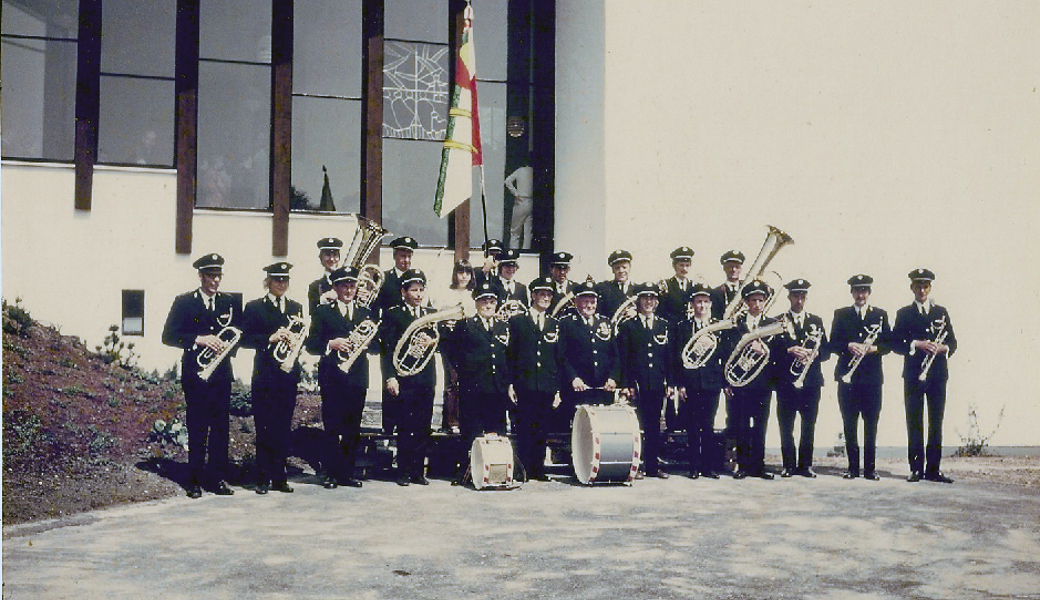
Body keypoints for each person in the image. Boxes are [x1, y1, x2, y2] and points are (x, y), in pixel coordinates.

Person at [161, 253, 241, 498]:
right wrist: (198, 339)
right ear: (201, 276)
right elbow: (168, 336)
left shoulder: (229, 301)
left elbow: (239, 334)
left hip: (221, 374)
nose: (215, 281)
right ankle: (193, 480)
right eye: (210, 276)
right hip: (196, 374)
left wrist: (227, 345)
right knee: (197, 427)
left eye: (218, 276)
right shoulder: (185, 301)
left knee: (220, 428)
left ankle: (216, 479)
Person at [305, 266, 374, 489]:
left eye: (352, 285)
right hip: (332, 376)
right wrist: (330, 344)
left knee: (352, 427)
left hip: (357, 376)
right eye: (344, 285)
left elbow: (377, 345)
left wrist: (367, 344)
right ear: (335, 287)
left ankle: (347, 473)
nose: (348, 289)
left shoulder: (365, 313)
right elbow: (311, 344)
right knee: (332, 426)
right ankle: (331, 474)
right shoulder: (323, 312)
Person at [241, 262, 304, 494]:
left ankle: (280, 477)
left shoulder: (296, 307)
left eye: (285, 280)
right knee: (264, 426)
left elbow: (301, 338)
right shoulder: (255, 307)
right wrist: (271, 337)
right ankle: (262, 478)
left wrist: (294, 341)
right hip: (265, 376)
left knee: (283, 427)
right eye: (277, 280)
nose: (281, 284)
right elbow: (245, 339)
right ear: (268, 281)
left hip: (287, 376)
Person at [893, 268, 958, 483]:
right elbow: (896, 343)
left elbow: (953, 343)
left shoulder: (941, 311)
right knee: (914, 421)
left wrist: (941, 348)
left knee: (935, 421)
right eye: (918, 286)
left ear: (930, 288)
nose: (922, 290)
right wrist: (917, 344)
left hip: (937, 374)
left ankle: (933, 469)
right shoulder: (904, 313)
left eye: (925, 286)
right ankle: (915, 469)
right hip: (913, 374)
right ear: (912, 288)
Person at [445, 281, 512, 485]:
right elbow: (452, 351)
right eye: (484, 301)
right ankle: (466, 472)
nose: (488, 304)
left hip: (497, 388)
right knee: (471, 432)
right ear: (476, 303)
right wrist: (466, 372)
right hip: (473, 388)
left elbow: (508, 356)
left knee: (497, 432)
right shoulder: (466, 325)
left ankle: (496, 473)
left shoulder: (503, 326)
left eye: (491, 301)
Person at [829, 274, 891, 480]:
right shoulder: (841, 314)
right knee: (849, 423)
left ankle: (870, 469)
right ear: (852, 292)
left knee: (871, 423)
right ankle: (852, 468)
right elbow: (832, 344)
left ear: (869, 293)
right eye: (857, 290)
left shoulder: (880, 315)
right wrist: (848, 345)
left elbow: (889, 344)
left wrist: (873, 348)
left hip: (872, 379)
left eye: (864, 290)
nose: (860, 294)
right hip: (847, 378)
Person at [379, 269, 437, 486]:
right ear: (403, 291)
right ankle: (403, 471)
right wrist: (390, 377)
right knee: (405, 425)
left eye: (421, 290)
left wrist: (432, 342)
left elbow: (442, 340)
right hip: (404, 377)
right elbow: (387, 349)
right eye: (414, 290)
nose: (419, 294)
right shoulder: (393, 313)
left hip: (426, 376)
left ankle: (417, 472)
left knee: (423, 425)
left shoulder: (431, 313)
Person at [617, 282, 676, 479]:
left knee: (653, 426)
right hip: (637, 385)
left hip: (657, 384)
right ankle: (637, 466)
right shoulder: (628, 326)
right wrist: (626, 384)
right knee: (637, 426)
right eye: (645, 298)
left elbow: (669, 358)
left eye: (652, 298)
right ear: (639, 301)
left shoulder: (664, 326)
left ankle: (652, 465)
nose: (648, 302)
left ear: (657, 302)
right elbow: (623, 358)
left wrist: (670, 382)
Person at [773, 279, 829, 478]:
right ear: (789, 297)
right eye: (795, 295)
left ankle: (805, 465)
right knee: (786, 424)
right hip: (786, 382)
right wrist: (789, 350)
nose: (799, 299)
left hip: (811, 382)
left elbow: (827, 351)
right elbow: (772, 353)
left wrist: (815, 353)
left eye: (802, 296)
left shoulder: (817, 321)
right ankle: (788, 465)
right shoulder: (778, 320)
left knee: (808, 424)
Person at [507, 276, 561, 481]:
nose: (546, 298)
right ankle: (524, 469)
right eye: (542, 294)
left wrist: (557, 389)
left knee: (542, 428)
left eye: (549, 294)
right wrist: (511, 383)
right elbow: (511, 354)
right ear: (533, 295)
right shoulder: (518, 321)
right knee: (524, 427)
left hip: (546, 384)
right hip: (525, 382)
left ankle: (538, 469)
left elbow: (558, 357)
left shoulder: (555, 324)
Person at [725, 280, 780, 479]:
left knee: (760, 425)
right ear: (746, 302)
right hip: (741, 384)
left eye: (760, 300)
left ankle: (759, 466)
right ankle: (743, 465)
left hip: (763, 384)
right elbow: (727, 354)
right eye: (753, 300)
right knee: (741, 425)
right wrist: (727, 383)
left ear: (765, 301)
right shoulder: (736, 325)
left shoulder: (772, 325)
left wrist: (764, 349)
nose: (756, 304)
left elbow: (778, 353)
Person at [675, 283, 729, 479]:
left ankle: (707, 467)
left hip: (711, 383)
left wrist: (724, 383)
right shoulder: (683, 327)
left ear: (711, 304)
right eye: (699, 302)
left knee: (708, 427)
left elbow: (725, 356)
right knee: (692, 427)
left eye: (706, 302)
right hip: (691, 384)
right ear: (693, 304)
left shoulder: (718, 328)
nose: (702, 306)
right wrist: (680, 384)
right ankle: (693, 467)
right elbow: (677, 358)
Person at [557, 280, 619, 431]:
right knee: (579, 430)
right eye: (585, 301)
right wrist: (573, 378)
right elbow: (561, 355)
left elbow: (615, 355)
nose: (590, 305)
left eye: (593, 301)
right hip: (579, 388)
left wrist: (613, 377)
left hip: (602, 388)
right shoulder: (567, 323)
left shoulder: (605, 323)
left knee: (602, 430)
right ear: (577, 301)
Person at [374, 236, 418, 436]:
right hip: (390, 336)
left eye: (409, 256)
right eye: (402, 256)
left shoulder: (416, 280)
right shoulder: (384, 279)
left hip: (411, 340)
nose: (406, 260)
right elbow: (375, 309)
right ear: (394, 256)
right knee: (390, 382)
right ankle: (388, 427)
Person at [434, 259, 476, 433]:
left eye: (467, 272)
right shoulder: (446, 293)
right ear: (455, 274)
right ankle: (450, 422)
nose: (464, 276)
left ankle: (464, 419)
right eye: (461, 272)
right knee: (451, 382)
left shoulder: (474, 294)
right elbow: (437, 315)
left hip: (468, 343)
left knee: (466, 381)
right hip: (450, 343)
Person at [659, 246, 695, 324]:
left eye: (687, 265)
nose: (684, 269)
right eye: (681, 265)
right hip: (672, 330)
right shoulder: (666, 285)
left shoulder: (694, 285)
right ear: (674, 266)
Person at [595, 249, 635, 318]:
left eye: (624, 267)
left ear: (630, 268)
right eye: (617, 268)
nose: (621, 271)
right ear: (612, 270)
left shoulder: (637, 289)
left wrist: (636, 313)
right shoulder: (604, 288)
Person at [307, 237, 343, 314]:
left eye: (335, 255)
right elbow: (312, 314)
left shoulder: (349, 284)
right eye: (327, 255)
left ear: (339, 258)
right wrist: (322, 300)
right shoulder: (315, 287)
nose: (332, 259)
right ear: (321, 259)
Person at [504, 164, 534, 249]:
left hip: (521, 200)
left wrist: (515, 193)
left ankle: (514, 250)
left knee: (515, 231)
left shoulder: (520, 170)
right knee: (528, 231)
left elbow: (507, 181)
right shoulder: (534, 172)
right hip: (531, 200)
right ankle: (526, 250)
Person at [711, 250, 745, 320]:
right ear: (724, 268)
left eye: (737, 267)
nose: (733, 270)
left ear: (741, 269)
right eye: (730, 266)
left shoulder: (747, 288)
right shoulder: (716, 292)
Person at [547, 251, 577, 317]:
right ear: (551, 269)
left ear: (569, 269)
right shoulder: (547, 288)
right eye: (559, 269)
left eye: (565, 269)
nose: (562, 272)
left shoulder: (575, 288)